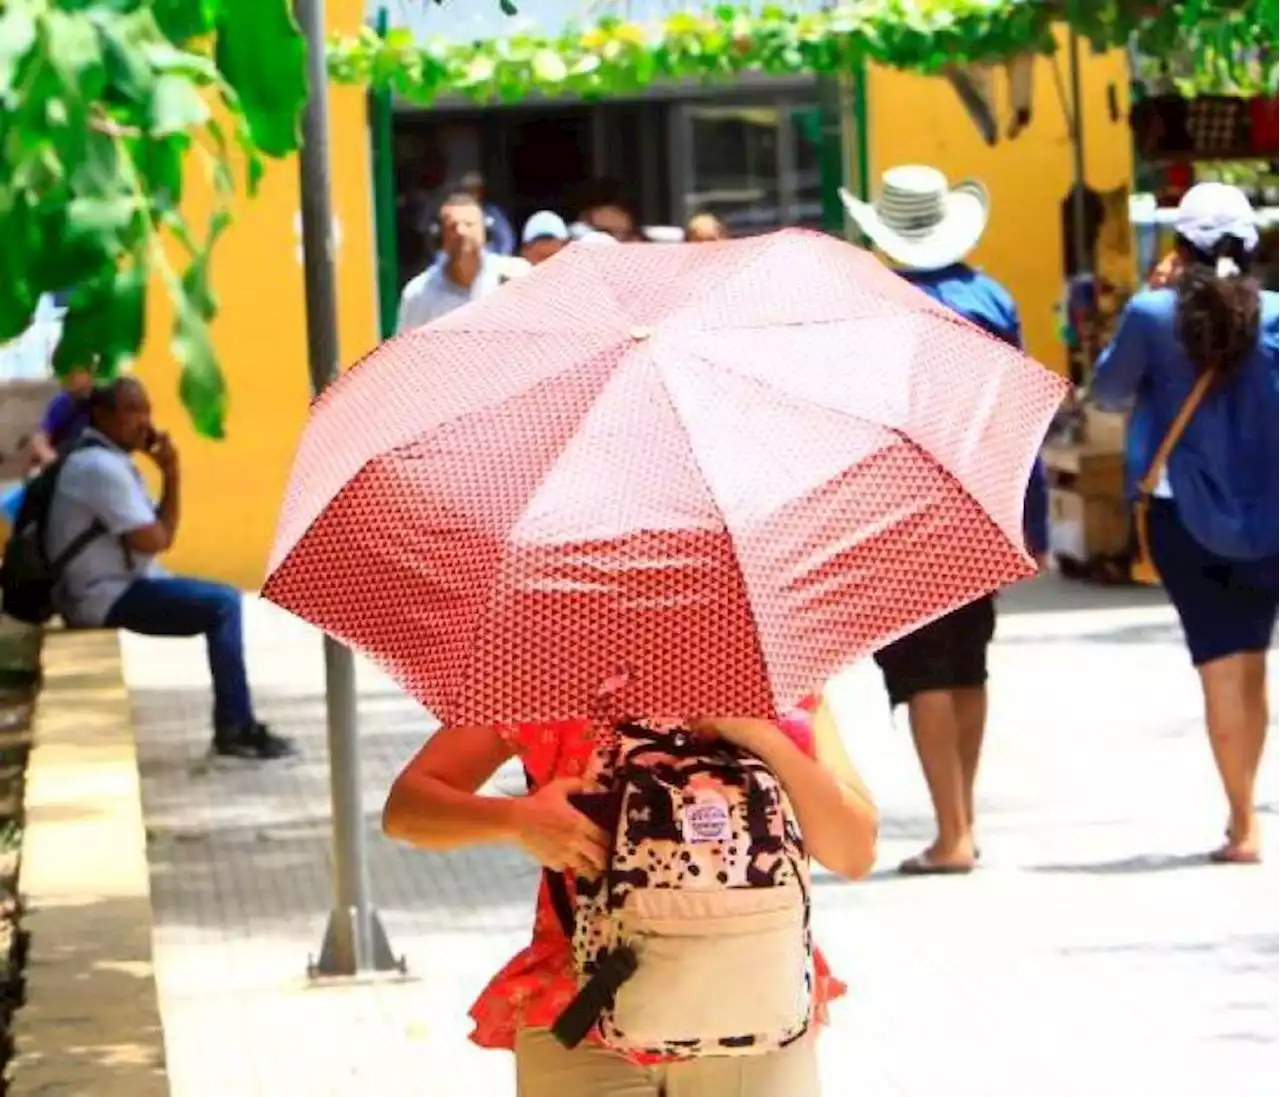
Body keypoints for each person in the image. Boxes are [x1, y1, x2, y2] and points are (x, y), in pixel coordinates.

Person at [383, 695, 878, 1096]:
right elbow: (407, 807)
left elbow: (855, 852)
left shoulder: (781, 679)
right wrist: (518, 820)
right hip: (582, 1009)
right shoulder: (538, 667)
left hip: (754, 1010)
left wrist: (759, 734)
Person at [842, 165, 1050, 875]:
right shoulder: (992, 297)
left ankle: (951, 833)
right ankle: (966, 817)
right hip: (981, 499)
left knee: (923, 667)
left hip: (904, 508)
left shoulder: (877, 304)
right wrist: (1034, 519)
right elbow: (1025, 415)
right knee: (967, 661)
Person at [1092, 182, 1279, 865]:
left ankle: (1242, 819)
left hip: (1183, 517)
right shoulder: (1276, 315)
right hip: (1269, 515)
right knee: (1253, 662)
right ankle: (1246, 812)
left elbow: (1108, 392)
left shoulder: (1150, 313)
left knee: (1219, 664)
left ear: (1180, 245)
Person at [46, 378, 294, 760]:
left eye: (146, 410)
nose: (143, 421)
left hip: (115, 587)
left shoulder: (108, 461)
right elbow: (155, 539)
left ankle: (237, 724)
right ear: (101, 415)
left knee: (220, 602)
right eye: (131, 411)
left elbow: (163, 535)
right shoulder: (98, 468)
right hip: (101, 595)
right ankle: (235, 727)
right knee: (223, 604)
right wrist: (172, 478)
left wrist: (171, 473)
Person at [397, 192, 504, 333]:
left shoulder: (512, 278)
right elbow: (407, 351)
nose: (461, 232)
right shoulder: (419, 293)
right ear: (439, 237)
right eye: (452, 226)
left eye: (469, 224)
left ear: (486, 232)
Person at [461, 170, 516, 257]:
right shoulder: (458, 215)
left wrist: (502, 262)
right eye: (468, 191)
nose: (472, 195)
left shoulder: (493, 213)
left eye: (475, 190)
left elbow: (507, 240)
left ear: (481, 191)